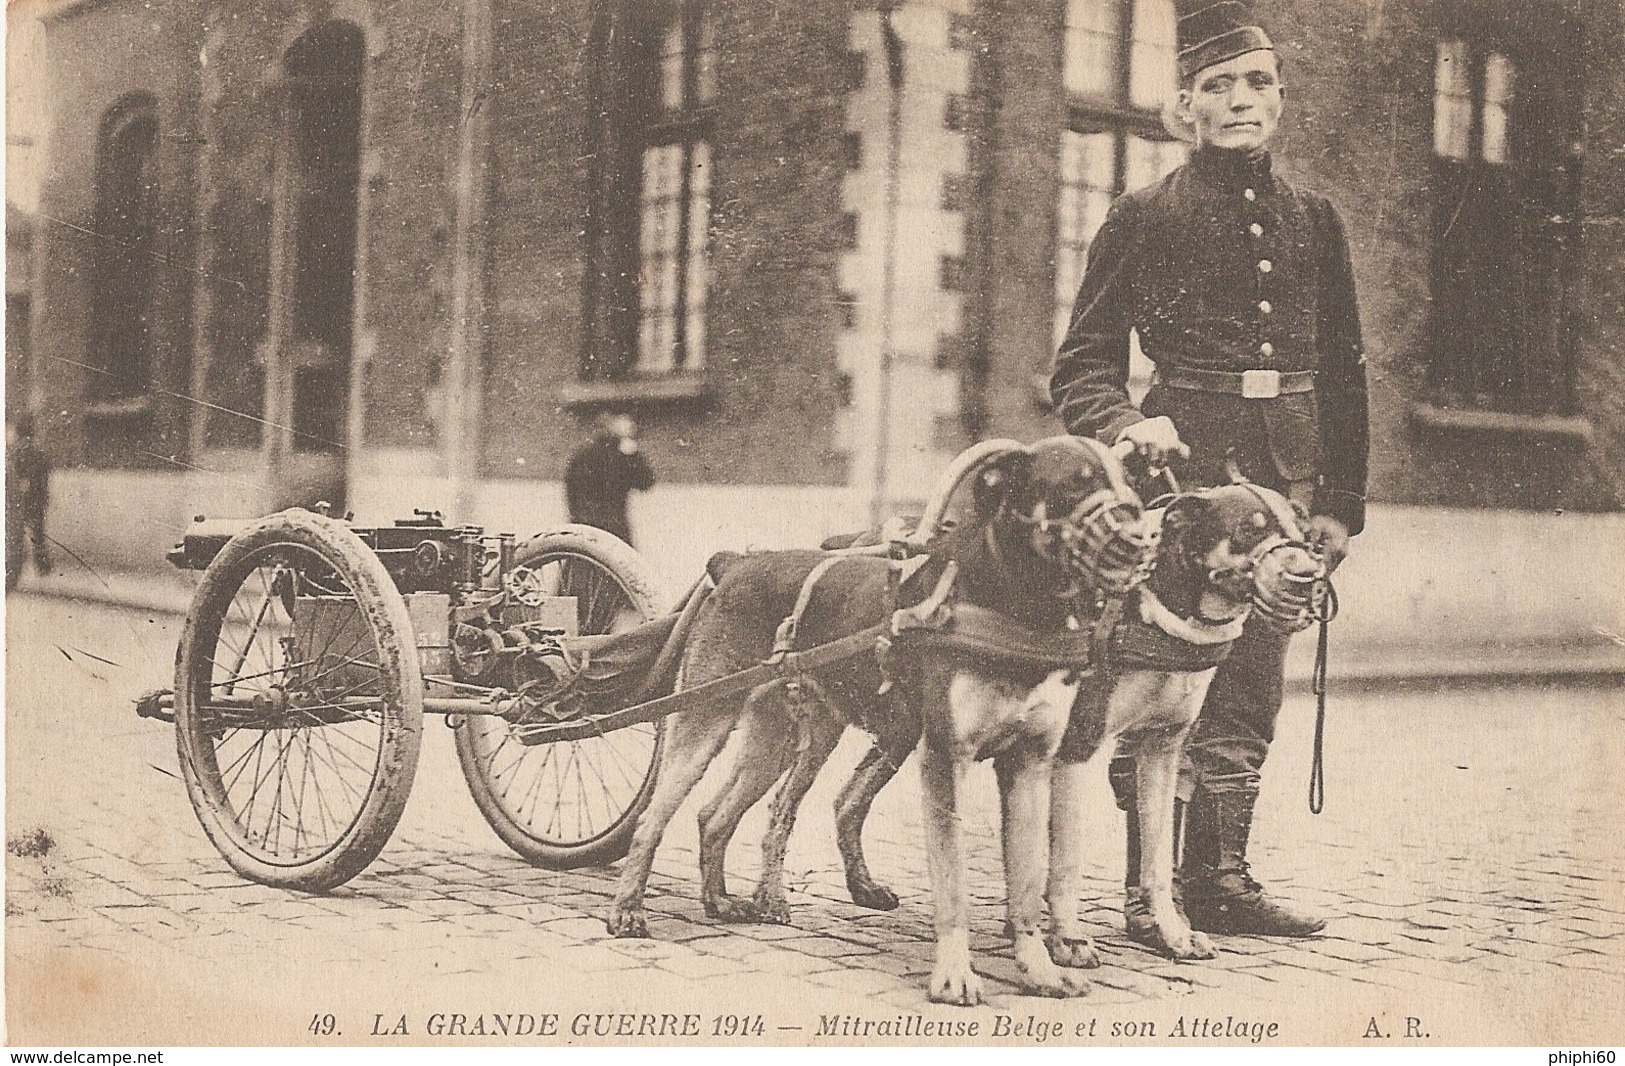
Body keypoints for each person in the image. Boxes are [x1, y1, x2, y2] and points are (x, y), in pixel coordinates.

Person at [1050, 0, 1369, 938]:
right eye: (1217, 87)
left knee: (1253, 673)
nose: (1240, 102)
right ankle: (1150, 888)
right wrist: (1121, 426)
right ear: (1184, 106)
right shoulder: (1143, 214)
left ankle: (1218, 881)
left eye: (1257, 84)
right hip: (1179, 483)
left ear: (1280, 98)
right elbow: (1084, 366)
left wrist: (1340, 503)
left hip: (1292, 477)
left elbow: (1345, 372)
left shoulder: (1316, 219)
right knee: (1159, 676)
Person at [564, 412, 656, 547]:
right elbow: (646, 482)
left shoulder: (584, 454)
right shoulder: (620, 455)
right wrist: (633, 456)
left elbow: (645, 483)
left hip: (585, 526)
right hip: (612, 527)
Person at [6, 412, 52, 591]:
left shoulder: (17, 455)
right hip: (34, 500)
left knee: (20, 535)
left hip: (24, 501)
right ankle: (42, 567)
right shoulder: (39, 454)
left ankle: (30, 567)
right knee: (37, 534)